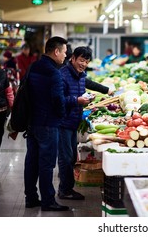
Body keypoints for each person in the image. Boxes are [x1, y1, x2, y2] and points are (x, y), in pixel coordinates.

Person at [24, 36, 69, 211]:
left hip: (32, 122)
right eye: (64, 52)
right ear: (56, 51)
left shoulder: (33, 66)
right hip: (48, 123)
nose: (65, 56)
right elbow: (58, 99)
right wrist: (61, 115)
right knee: (47, 163)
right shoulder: (54, 72)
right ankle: (48, 201)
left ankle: (31, 198)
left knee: (32, 162)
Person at [58, 46, 93, 201]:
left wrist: (85, 102)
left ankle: (67, 188)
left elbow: (78, 96)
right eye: (81, 60)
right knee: (66, 157)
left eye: (86, 61)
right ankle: (65, 190)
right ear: (72, 58)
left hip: (74, 122)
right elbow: (58, 100)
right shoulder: (63, 75)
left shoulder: (81, 76)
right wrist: (77, 100)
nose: (83, 64)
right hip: (63, 122)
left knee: (72, 157)